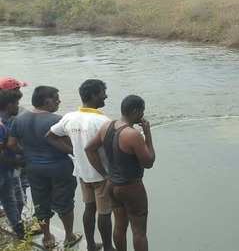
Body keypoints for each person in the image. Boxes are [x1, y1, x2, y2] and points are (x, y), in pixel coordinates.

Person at [8, 86, 85, 248]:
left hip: (33, 168)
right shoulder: (57, 120)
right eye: (56, 98)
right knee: (65, 202)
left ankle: (47, 237)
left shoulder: (19, 119)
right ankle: (69, 236)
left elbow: (12, 144)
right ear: (47, 100)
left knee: (40, 202)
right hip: (59, 167)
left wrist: (28, 153)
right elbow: (69, 145)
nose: (59, 101)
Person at [47, 80, 113, 251]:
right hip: (101, 175)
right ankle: (108, 247)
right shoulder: (103, 121)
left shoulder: (70, 117)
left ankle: (91, 245)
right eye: (102, 93)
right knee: (105, 213)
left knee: (89, 208)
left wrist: (73, 152)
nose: (105, 95)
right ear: (93, 95)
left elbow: (50, 136)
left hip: (82, 173)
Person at [86, 95, 155, 251]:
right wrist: (148, 135)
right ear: (136, 111)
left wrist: (105, 174)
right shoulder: (132, 134)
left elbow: (89, 148)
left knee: (120, 225)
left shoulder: (107, 126)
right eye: (142, 111)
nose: (143, 115)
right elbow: (149, 162)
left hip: (112, 184)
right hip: (131, 187)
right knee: (139, 231)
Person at [0, 90, 25, 239]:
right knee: (10, 200)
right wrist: (19, 161)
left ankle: (18, 229)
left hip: (6, 171)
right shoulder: (1, 126)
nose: (18, 106)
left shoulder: (8, 121)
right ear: (9, 105)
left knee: (11, 200)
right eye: (16, 103)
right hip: (4, 170)